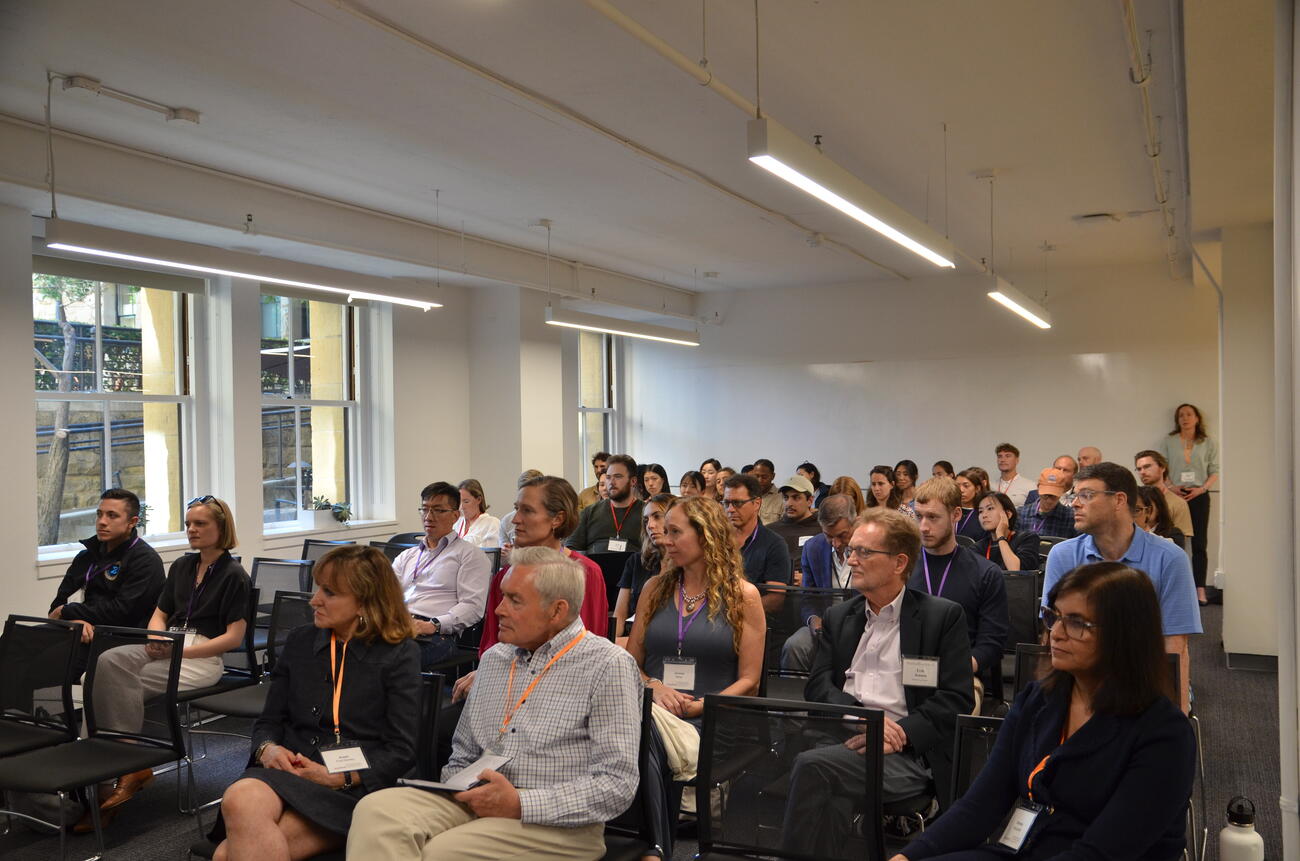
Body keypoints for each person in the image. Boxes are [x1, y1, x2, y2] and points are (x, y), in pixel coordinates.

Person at [348, 548, 642, 861]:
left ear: (557, 611)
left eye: (515, 600)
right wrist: (458, 789)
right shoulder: (495, 659)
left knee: (442, 852)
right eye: (502, 596)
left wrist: (519, 804)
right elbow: (463, 752)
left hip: (560, 822)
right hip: (477, 798)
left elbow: (617, 784)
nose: (498, 610)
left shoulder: (607, 665)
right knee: (377, 812)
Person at [893, 563, 1196, 861]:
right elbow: (980, 806)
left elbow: (1103, 852)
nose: (1056, 633)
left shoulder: (1163, 734)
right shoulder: (1039, 699)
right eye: (1054, 617)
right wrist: (907, 856)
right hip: (1025, 848)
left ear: (1124, 635)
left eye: (1077, 623)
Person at [212, 546, 420, 861]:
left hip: (352, 785)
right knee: (239, 797)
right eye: (317, 588)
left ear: (365, 600)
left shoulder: (398, 654)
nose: (314, 600)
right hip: (290, 770)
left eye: (329, 592)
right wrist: (267, 748)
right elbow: (269, 721)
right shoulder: (300, 641)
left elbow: (401, 749)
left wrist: (341, 777)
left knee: (225, 856)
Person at [787, 508, 974, 855]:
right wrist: (862, 717)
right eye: (850, 551)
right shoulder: (841, 616)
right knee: (832, 791)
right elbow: (818, 685)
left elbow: (955, 698)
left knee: (813, 768)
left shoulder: (941, 617)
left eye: (863, 552)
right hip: (843, 740)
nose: (851, 560)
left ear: (899, 563)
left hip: (906, 754)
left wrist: (900, 733)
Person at [83, 496, 250, 831]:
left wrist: (180, 652)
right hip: (167, 645)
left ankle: (120, 770)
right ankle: (110, 776)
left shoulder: (234, 575)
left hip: (202, 656)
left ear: (221, 528)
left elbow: (233, 639)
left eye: (200, 524)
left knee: (109, 677)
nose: (191, 530)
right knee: (98, 673)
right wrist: (156, 637)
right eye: (188, 523)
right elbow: (159, 613)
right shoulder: (182, 566)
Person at [1043, 462, 1200, 711]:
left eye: (1087, 495)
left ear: (1118, 500)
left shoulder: (1169, 558)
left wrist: (1176, 713)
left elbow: (1175, 645)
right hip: (1081, 676)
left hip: (1144, 677)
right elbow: (1053, 632)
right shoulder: (1063, 555)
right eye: (1075, 495)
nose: (1075, 503)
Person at [629, 497, 765, 729]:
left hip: (713, 717)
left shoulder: (743, 596)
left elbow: (750, 681)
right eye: (666, 532)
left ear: (705, 535)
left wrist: (702, 705)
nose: (667, 541)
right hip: (652, 711)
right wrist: (654, 686)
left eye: (675, 532)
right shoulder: (654, 589)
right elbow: (631, 662)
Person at [478, 476, 609, 658]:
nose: (515, 519)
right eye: (517, 509)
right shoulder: (506, 576)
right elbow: (491, 644)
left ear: (557, 519)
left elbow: (591, 646)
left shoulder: (586, 573)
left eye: (527, 511)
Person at [909, 478, 1009, 703]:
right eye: (919, 516)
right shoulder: (900, 567)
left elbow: (992, 643)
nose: (923, 526)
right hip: (903, 673)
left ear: (956, 514)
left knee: (945, 716)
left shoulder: (985, 573)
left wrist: (957, 669)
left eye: (933, 517)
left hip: (959, 676)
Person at [392, 482, 491, 669]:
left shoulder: (469, 555)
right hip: (398, 626)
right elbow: (384, 593)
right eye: (425, 509)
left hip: (435, 634)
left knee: (392, 658)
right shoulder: (407, 556)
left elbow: (472, 607)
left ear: (455, 515)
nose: (429, 517)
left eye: (438, 510)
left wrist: (433, 625)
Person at [780, 494, 856, 673]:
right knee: (794, 646)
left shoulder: (870, 547)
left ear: (854, 522)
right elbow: (809, 596)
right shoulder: (813, 547)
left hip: (862, 625)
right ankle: (794, 699)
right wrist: (813, 620)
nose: (836, 543)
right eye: (828, 536)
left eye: (842, 535)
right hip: (825, 625)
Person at [1157, 404, 1219, 605]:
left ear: (1197, 418)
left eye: (1189, 414)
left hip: (1199, 495)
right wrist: (1171, 487)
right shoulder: (1169, 441)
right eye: (1181, 415)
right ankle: (1175, 589)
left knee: (1199, 543)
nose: (1185, 418)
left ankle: (1199, 589)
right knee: (1172, 540)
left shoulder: (1207, 443)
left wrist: (1202, 489)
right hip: (1175, 495)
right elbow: (1162, 468)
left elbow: (1215, 470)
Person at [722, 473, 792, 613]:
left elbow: (775, 599)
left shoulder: (774, 544)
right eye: (726, 503)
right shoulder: (717, 540)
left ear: (757, 503)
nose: (730, 509)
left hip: (749, 620)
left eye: (737, 503)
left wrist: (734, 612)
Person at [614, 492, 675, 642]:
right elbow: (619, 615)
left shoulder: (687, 564)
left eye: (657, 516)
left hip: (666, 638)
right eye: (646, 520)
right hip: (632, 635)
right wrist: (612, 642)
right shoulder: (636, 561)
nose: (650, 525)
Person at [565, 454, 643, 553]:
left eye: (618, 477)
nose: (611, 482)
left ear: (633, 481)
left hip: (633, 566)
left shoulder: (646, 513)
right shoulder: (589, 513)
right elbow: (572, 549)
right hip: (595, 567)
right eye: (608, 477)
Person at [767, 475, 822, 583]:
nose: (789, 503)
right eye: (785, 497)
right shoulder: (770, 531)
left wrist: (809, 579)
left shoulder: (822, 530)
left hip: (812, 594)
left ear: (810, 500)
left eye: (796, 497)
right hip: (777, 589)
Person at [1134, 449, 1194, 541]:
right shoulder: (1134, 500)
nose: (1142, 472)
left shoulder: (1178, 503)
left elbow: (1181, 541)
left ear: (1162, 467)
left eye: (1147, 466)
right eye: (1139, 469)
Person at [974, 492, 1040, 571]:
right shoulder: (978, 547)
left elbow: (1017, 572)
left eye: (990, 508)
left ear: (1008, 514)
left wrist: (1000, 537)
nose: (984, 515)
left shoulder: (1027, 539)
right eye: (980, 511)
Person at [1017, 467, 1077, 540]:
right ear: (1038, 488)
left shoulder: (1071, 517)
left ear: (1063, 491)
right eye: (1045, 495)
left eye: (1054, 496)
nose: (1049, 501)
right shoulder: (1021, 514)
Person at [498, 469, 545, 554]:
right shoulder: (507, 521)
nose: (515, 520)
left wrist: (517, 554)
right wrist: (506, 553)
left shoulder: (547, 519)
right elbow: (502, 560)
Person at [451, 479, 500, 550]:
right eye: (459, 502)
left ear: (479, 500)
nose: (461, 507)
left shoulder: (492, 523)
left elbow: (491, 556)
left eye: (466, 502)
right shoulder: (456, 523)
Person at [953, 470, 985, 541]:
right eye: (957, 486)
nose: (961, 490)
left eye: (966, 486)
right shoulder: (950, 511)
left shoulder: (983, 513)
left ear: (977, 489)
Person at [751, 458, 783, 525]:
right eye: (756, 476)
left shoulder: (782, 497)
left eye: (764, 477)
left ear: (773, 476)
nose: (760, 480)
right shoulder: (747, 496)